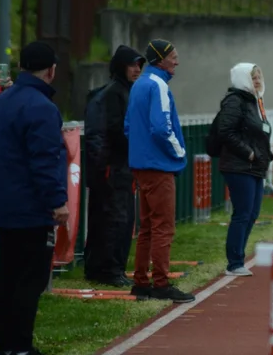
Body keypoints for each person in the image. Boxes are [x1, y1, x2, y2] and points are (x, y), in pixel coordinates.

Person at [0, 41, 68, 355]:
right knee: (29, 280)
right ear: (51, 70)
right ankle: (21, 347)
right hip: (31, 207)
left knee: (7, 276)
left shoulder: (0, 102)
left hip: (4, 202)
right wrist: (57, 201)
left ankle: (6, 345)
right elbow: (45, 160)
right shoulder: (43, 108)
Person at [124, 39, 194, 304]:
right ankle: (162, 284)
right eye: (173, 57)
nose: (177, 61)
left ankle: (141, 282)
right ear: (160, 60)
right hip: (158, 166)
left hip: (141, 166)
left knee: (147, 228)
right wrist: (180, 152)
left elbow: (129, 126)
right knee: (163, 227)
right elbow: (162, 128)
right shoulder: (159, 85)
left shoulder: (140, 84)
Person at [83, 46, 145, 287]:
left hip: (118, 166)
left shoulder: (124, 92)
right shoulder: (113, 94)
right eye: (133, 65)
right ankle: (108, 269)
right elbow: (112, 132)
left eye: (140, 65)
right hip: (113, 168)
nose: (137, 69)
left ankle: (105, 268)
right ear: (121, 66)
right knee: (114, 219)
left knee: (115, 219)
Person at [216, 63, 273, 277]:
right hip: (239, 166)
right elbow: (226, 131)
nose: (257, 80)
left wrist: (265, 154)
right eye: (252, 76)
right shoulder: (235, 101)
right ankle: (234, 262)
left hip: (255, 166)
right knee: (242, 213)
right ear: (242, 79)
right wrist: (248, 153)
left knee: (252, 213)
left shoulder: (256, 101)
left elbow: (258, 133)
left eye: (259, 75)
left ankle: (238, 257)